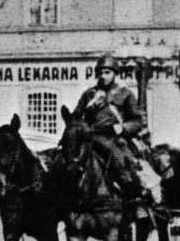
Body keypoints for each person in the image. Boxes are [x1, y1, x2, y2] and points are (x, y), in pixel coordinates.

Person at [62, 54, 149, 196]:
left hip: (113, 138)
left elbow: (138, 121)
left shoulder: (125, 93)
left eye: (107, 72)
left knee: (122, 167)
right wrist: (82, 113)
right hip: (89, 137)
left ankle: (134, 198)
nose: (103, 76)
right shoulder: (89, 94)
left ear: (115, 74)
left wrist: (122, 128)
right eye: (100, 73)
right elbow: (76, 117)